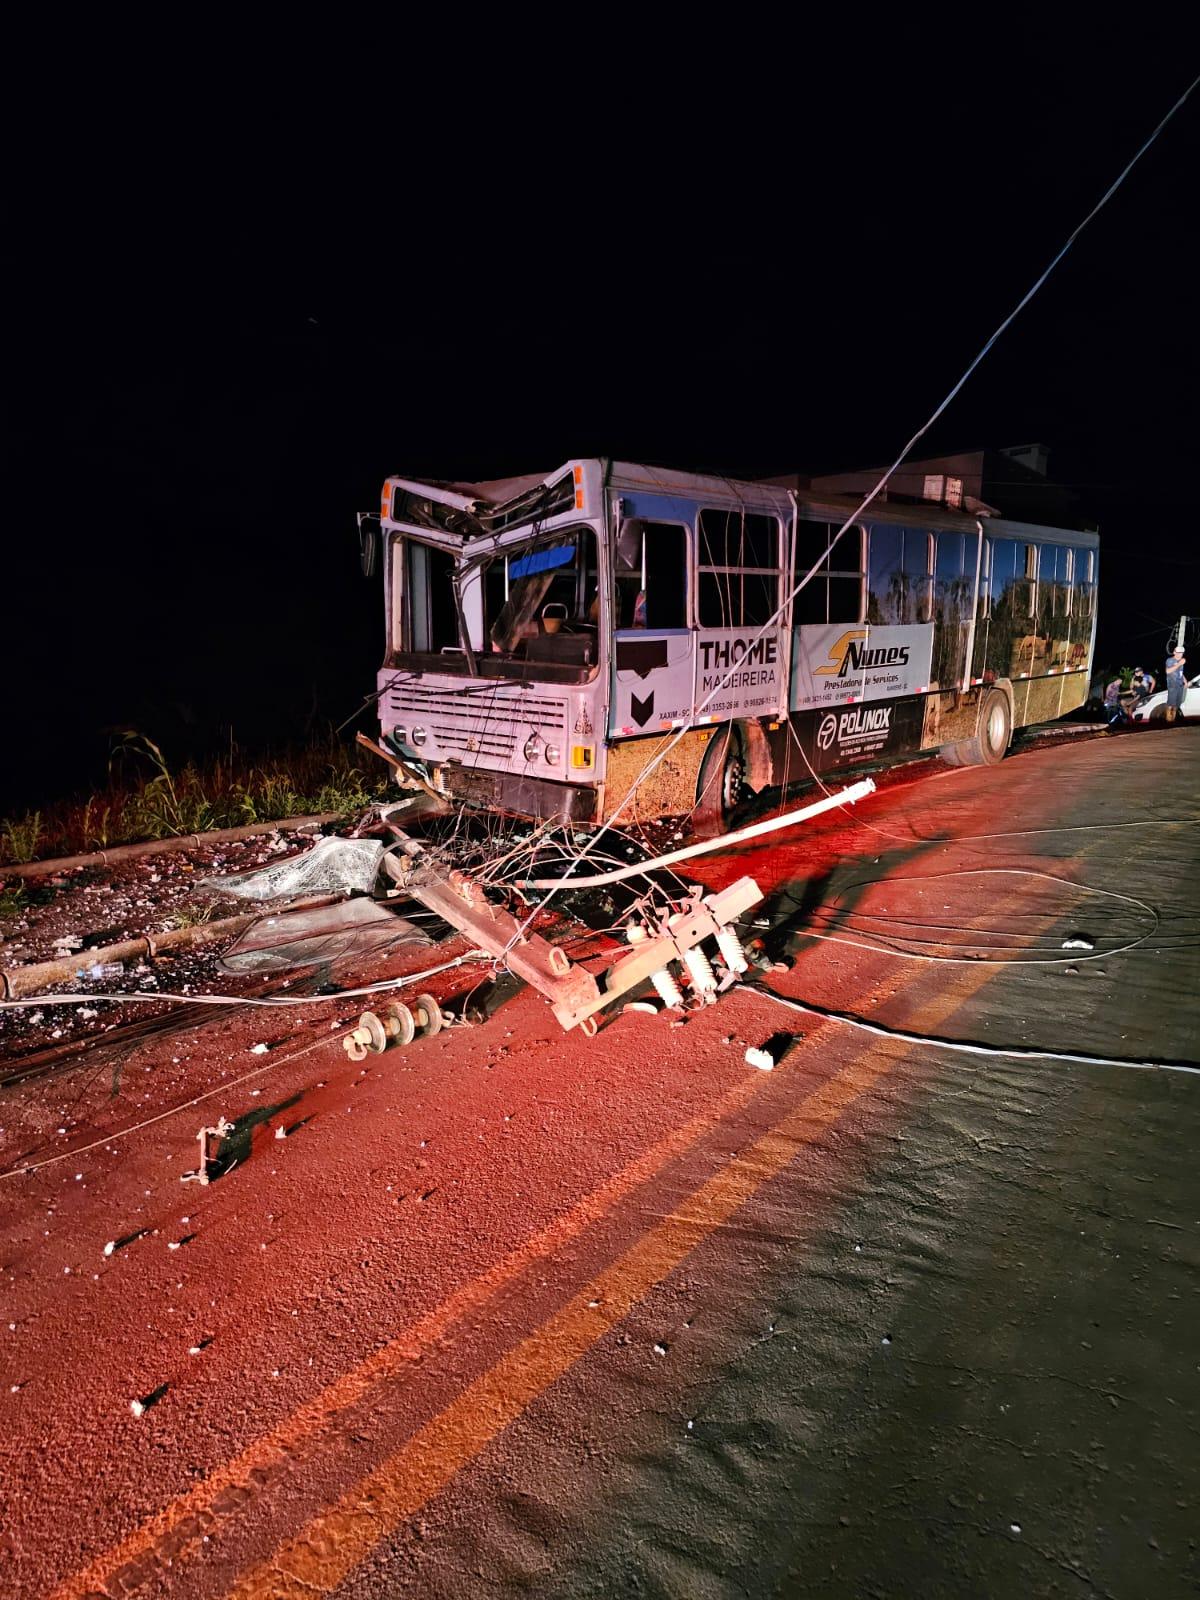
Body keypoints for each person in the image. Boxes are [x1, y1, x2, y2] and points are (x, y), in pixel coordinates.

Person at [1165, 644, 1187, 720]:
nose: (1179, 654)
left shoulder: (1180, 661)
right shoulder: (1170, 660)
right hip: (1172, 686)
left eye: (1181, 653)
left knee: (1177, 704)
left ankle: (1173, 719)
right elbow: (1168, 671)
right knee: (1171, 703)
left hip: (1180, 685)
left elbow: (1180, 672)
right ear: (1174, 652)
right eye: (1178, 652)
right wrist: (1179, 664)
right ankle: (1168, 720)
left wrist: (1185, 681)